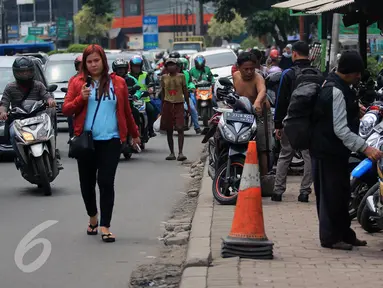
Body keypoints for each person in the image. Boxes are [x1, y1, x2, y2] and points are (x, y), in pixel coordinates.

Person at [62, 44, 140, 243]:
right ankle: (93, 216)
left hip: (111, 140)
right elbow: (66, 109)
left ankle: (105, 225)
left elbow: (126, 111)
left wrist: (134, 134)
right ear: (84, 64)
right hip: (86, 141)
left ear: (103, 61)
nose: (93, 65)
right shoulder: (77, 82)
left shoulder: (119, 83)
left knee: (106, 182)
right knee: (86, 184)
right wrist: (81, 97)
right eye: (89, 62)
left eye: (96, 60)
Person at [310, 50, 383, 250]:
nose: (359, 76)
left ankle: (345, 234)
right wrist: (366, 148)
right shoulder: (334, 90)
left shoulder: (342, 86)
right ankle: (330, 238)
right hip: (327, 151)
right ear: (349, 72)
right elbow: (340, 129)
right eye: (357, 73)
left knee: (342, 194)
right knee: (329, 196)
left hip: (338, 151)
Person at [0, 56, 62, 169]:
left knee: (49, 130)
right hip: (18, 121)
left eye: (27, 71)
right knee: (12, 134)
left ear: (32, 71)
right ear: (15, 73)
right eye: (21, 72)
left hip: (38, 117)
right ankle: (19, 157)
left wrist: (50, 101)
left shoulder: (38, 85)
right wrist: (3, 112)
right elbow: (4, 103)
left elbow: (46, 95)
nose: (24, 74)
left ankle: (54, 155)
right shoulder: (10, 88)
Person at [271, 41, 313, 202]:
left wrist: (277, 124)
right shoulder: (317, 73)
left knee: (285, 154)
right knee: (308, 156)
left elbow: (281, 100)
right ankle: (304, 192)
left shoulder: (288, 74)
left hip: (290, 121)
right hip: (309, 123)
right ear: (308, 54)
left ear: (294, 53)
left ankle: (278, 191)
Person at [232, 52, 272, 176]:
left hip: (260, 114)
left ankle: (264, 177)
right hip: (243, 113)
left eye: (252, 69)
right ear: (239, 68)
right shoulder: (235, 76)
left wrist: (257, 103)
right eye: (246, 69)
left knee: (262, 147)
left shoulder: (258, 78)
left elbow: (262, 91)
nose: (249, 72)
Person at [160, 58, 190, 161]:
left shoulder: (181, 76)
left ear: (177, 67)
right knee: (169, 130)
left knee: (180, 128)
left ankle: (180, 152)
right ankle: (172, 152)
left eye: (173, 65)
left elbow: (185, 91)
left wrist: (188, 105)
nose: (171, 67)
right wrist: (162, 107)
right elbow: (163, 92)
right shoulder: (163, 77)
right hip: (167, 104)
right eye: (169, 65)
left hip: (179, 104)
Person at [128, 55, 157, 138]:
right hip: (132, 99)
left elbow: (150, 85)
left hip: (144, 99)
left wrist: (150, 90)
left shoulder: (145, 74)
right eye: (134, 66)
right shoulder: (128, 76)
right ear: (131, 66)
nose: (136, 68)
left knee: (151, 110)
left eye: (138, 66)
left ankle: (150, 129)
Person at [111, 58, 141, 133]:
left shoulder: (131, 79)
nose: (121, 70)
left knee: (136, 113)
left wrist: (136, 96)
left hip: (129, 105)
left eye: (123, 68)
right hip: (114, 106)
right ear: (115, 69)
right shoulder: (110, 79)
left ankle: (137, 133)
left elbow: (138, 90)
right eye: (119, 69)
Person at [179, 57, 201, 134]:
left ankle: (197, 127)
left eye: (179, 66)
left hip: (185, 96)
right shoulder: (170, 75)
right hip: (173, 96)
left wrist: (191, 88)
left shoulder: (187, 73)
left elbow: (190, 83)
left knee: (192, 109)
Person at [67, 54, 83, 140]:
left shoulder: (94, 78)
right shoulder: (73, 80)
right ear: (77, 67)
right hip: (76, 107)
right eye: (81, 66)